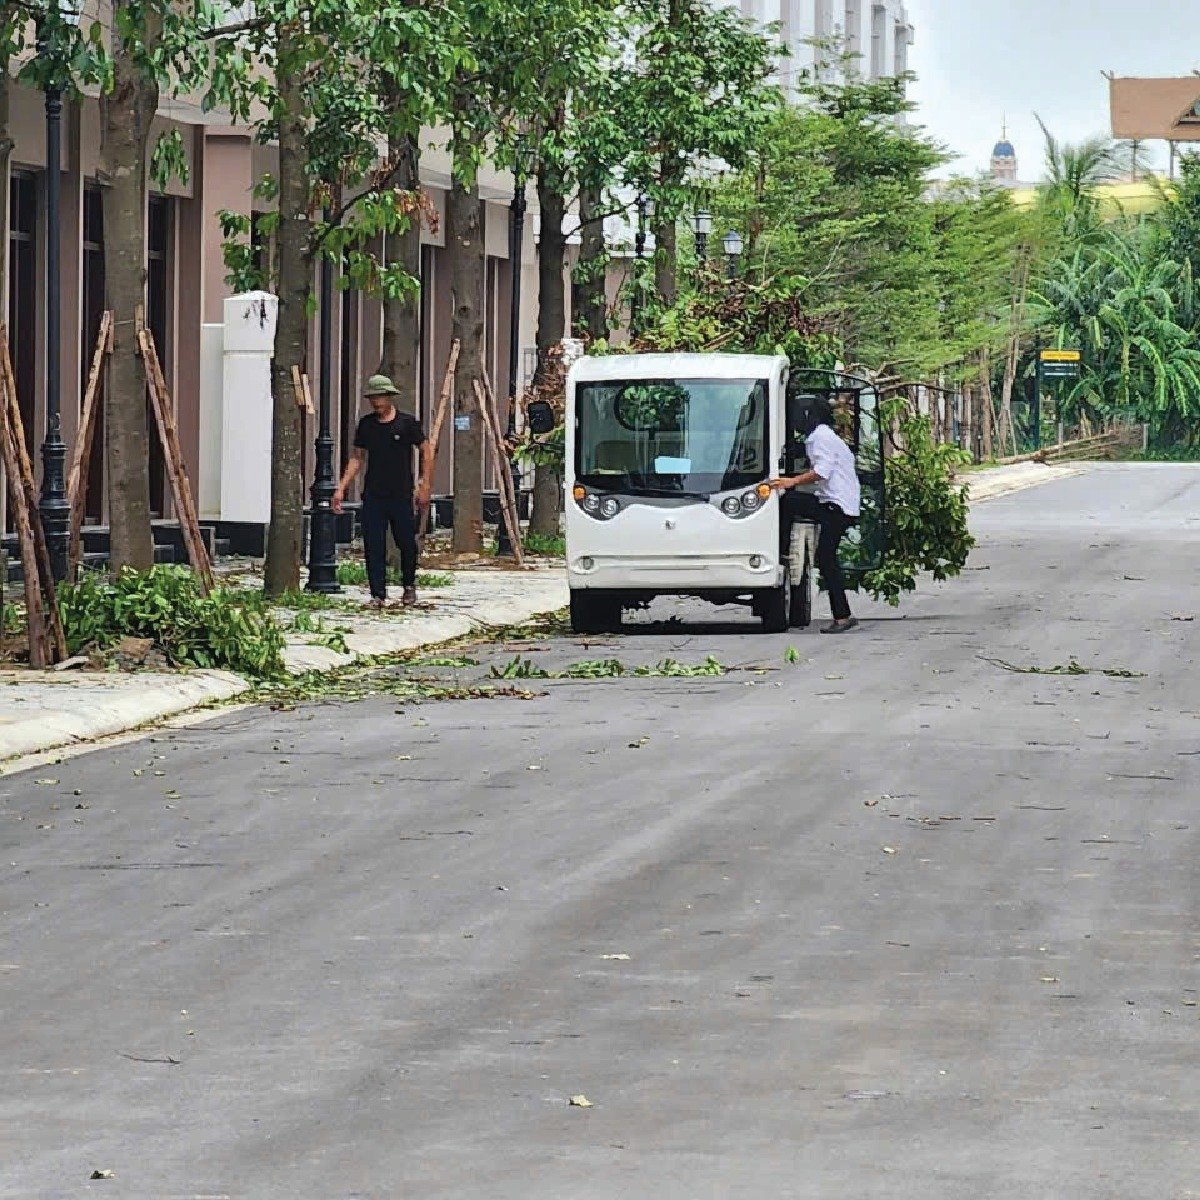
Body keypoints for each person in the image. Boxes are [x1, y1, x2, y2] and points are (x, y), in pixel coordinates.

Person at [333, 375, 434, 609]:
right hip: (373, 494)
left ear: (390, 397)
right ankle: (377, 593)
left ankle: (409, 585)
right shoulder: (367, 425)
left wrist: (425, 483)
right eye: (372, 398)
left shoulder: (407, 424)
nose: (376, 402)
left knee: (406, 542)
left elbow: (426, 450)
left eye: (380, 397)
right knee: (373, 544)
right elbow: (358, 457)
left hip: (401, 494)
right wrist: (341, 487)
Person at [771, 397, 861, 634]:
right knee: (826, 557)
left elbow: (821, 472)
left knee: (826, 557)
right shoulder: (825, 436)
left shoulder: (818, 437)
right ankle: (843, 614)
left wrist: (791, 481)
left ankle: (842, 616)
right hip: (838, 504)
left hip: (836, 506)